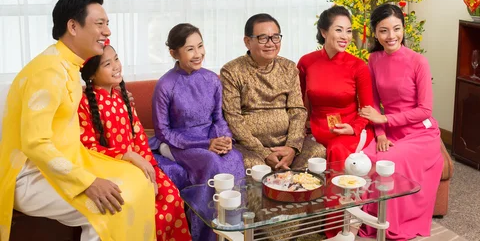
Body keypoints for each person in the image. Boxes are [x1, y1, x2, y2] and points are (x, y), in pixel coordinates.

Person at [0, 0, 155, 241]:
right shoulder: (48, 71)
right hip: (31, 174)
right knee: (114, 204)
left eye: (108, 24)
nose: (107, 32)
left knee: (138, 180)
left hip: (66, 161)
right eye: (100, 24)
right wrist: (87, 182)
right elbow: (35, 143)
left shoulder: (68, 64)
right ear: (73, 26)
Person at [79, 42, 191, 241]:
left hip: (140, 165)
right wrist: (126, 157)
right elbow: (88, 147)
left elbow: (139, 137)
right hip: (112, 172)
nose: (116, 66)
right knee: (150, 212)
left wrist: (151, 169)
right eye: (107, 64)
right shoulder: (84, 104)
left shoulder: (123, 97)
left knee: (172, 197)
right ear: (91, 75)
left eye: (116, 59)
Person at [150, 23, 244, 241]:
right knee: (211, 163)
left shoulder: (212, 79)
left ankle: (234, 230)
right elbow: (163, 131)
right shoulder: (165, 85)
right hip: (180, 143)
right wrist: (204, 145)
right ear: (174, 53)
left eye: (200, 46)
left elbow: (218, 118)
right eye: (190, 49)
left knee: (235, 157)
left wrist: (225, 138)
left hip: (210, 137)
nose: (198, 53)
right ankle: (207, 235)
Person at [358, 3, 443, 240]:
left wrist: (385, 118)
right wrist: (381, 133)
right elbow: (373, 102)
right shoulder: (374, 59)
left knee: (387, 161)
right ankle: (371, 220)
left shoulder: (418, 62)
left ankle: (389, 223)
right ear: (375, 32)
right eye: (384, 30)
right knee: (364, 159)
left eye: (396, 29)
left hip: (420, 134)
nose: (391, 36)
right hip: (390, 132)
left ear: (404, 29)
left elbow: (425, 110)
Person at [220, 13, 325, 171]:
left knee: (317, 152)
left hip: (286, 144)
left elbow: (297, 110)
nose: (270, 43)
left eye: (275, 37)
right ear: (247, 41)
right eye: (263, 38)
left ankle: (295, 194)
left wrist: (292, 147)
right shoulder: (231, 71)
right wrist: (263, 153)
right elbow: (233, 118)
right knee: (254, 166)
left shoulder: (288, 68)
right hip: (250, 148)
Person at [297, 6, 374, 166]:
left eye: (349, 31)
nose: (345, 37)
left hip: (349, 129)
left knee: (336, 148)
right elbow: (298, 103)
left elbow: (368, 108)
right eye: (339, 30)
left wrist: (354, 128)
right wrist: (302, 127)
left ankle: (336, 191)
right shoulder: (306, 62)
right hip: (317, 128)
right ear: (324, 32)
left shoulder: (358, 66)